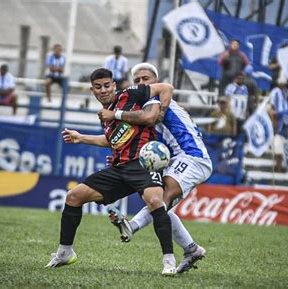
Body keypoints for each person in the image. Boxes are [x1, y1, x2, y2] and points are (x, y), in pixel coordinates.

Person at [45, 68, 177, 276]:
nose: (104, 90)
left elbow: (166, 87)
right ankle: (65, 252)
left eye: (107, 85)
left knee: (154, 201)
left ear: (114, 85)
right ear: (93, 90)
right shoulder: (104, 115)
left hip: (142, 164)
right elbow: (112, 140)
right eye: (98, 87)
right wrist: (81, 137)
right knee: (73, 196)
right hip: (119, 168)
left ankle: (169, 260)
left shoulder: (131, 94)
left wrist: (161, 112)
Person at [99, 63, 213, 274]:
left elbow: (159, 102)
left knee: (162, 199)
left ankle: (131, 226)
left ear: (156, 81)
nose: (142, 83)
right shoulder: (145, 107)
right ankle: (192, 249)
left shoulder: (155, 101)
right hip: (176, 159)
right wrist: (118, 156)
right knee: (158, 205)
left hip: (193, 156)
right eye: (138, 81)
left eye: (146, 79)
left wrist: (115, 114)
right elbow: (125, 138)